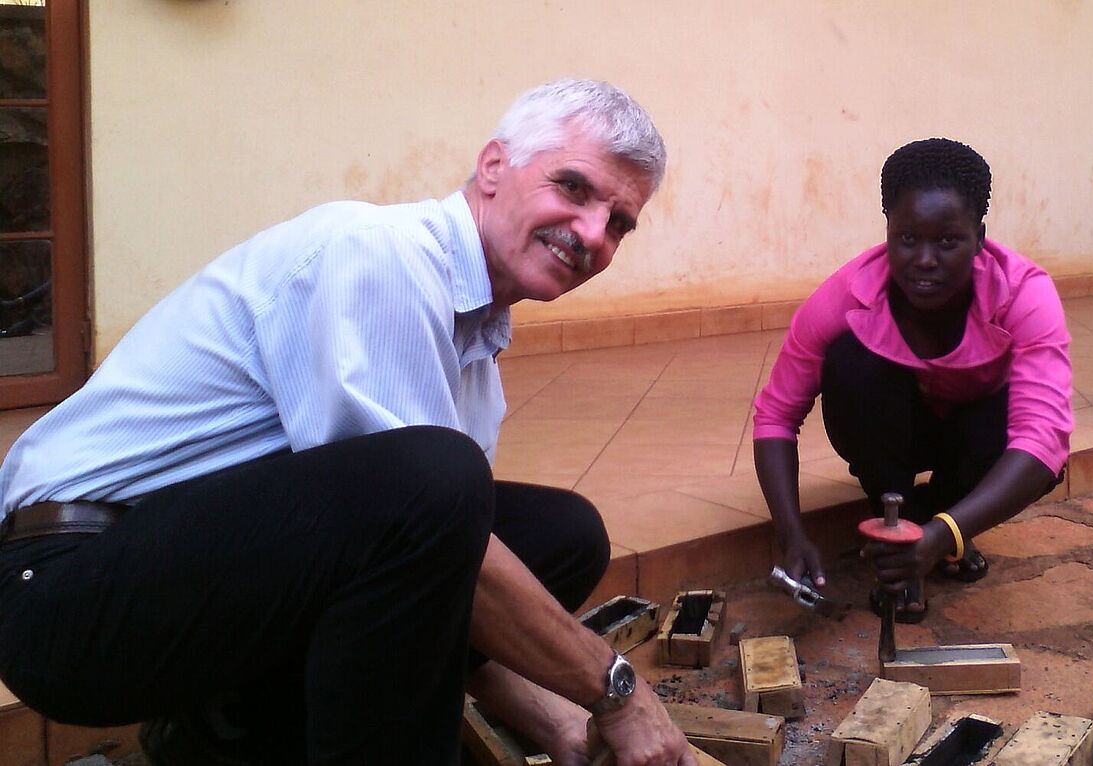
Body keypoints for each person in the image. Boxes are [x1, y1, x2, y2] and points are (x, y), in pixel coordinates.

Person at [0, 79, 694, 766]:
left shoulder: (475, 349)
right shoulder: (375, 254)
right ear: (492, 168)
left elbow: (434, 581)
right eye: (573, 188)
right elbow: (426, 526)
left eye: (619, 223)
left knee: (557, 536)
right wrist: (616, 692)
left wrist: (555, 726)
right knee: (439, 486)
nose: (594, 235)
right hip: (70, 596)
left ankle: (239, 730)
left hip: (184, 580)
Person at [753, 138, 1072, 622]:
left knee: (1021, 438)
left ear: (980, 236)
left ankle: (937, 530)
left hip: (971, 441)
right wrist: (791, 536)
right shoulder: (846, 295)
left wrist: (943, 533)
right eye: (907, 239)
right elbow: (775, 416)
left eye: (948, 241)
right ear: (888, 232)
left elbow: (1044, 440)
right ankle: (896, 522)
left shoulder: (1023, 293)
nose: (924, 259)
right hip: (892, 433)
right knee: (851, 363)